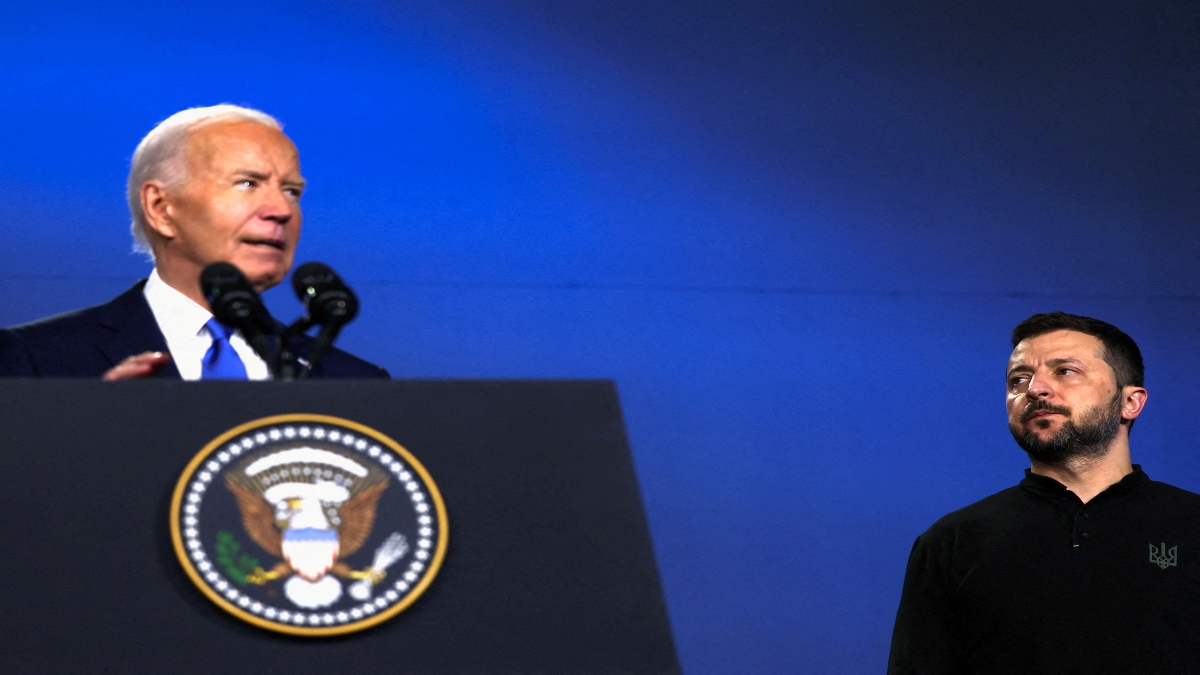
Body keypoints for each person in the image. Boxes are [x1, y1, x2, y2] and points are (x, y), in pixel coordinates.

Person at [888, 312, 1200, 674]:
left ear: (1130, 402)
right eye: (1019, 379)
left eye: (1065, 371)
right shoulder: (952, 542)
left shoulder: (1191, 524)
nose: (1035, 389)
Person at [0, 105, 387, 379]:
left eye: (291, 191)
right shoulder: (35, 360)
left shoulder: (350, 381)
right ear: (161, 206)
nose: (280, 209)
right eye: (247, 183)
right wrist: (96, 431)